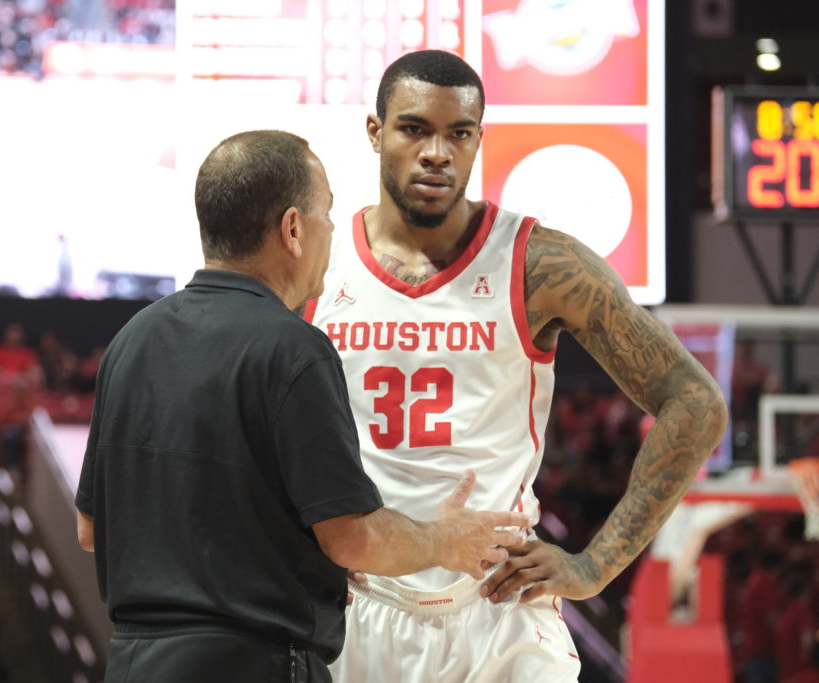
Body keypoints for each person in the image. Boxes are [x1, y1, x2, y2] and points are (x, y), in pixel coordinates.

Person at [306, 50, 729, 682]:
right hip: (357, 607)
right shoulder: (318, 264)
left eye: (459, 133)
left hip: (499, 613)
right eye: (414, 128)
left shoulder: (538, 264)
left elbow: (696, 405)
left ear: (479, 140)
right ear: (375, 132)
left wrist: (595, 566)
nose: (437, 153)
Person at [74, 129, 531, 683]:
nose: (333, 232)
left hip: (132, 664)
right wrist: (444, 540)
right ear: (292, 229)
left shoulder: (131, 341)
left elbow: (91, 529)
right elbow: (351, 538)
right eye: (327, 216)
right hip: (253, 665)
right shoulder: (293, 346)